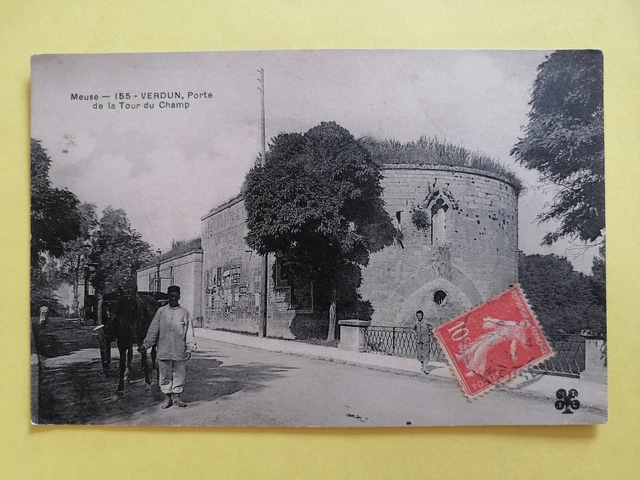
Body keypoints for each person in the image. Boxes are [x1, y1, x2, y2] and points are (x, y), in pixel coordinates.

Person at [139, 285, 196, 409]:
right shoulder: (161, 312)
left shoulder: (184, 313)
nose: (174, 298)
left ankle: (177, 397)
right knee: (164, 374)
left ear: (179, 296)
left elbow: (189, 332)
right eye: (171, 296)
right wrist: (146, 344)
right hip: (164, 349)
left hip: (178, 349)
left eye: (176, 296)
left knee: (179, 374)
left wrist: (189, 348)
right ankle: (167, 398)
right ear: (168, 297)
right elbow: (153, 330)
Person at [456, 317, 529, 377]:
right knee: (476, 345)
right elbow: (500, 322)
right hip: (493, 335)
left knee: (480, 351)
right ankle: (462, 356)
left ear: (524, 326)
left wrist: (513, 354)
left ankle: (474, 370)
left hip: (495, 338)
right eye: (523, 321)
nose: (522, 321)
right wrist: (489, 319)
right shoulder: (514, 325)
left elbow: (513, 344)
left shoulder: (518, 332)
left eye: (524, 322)